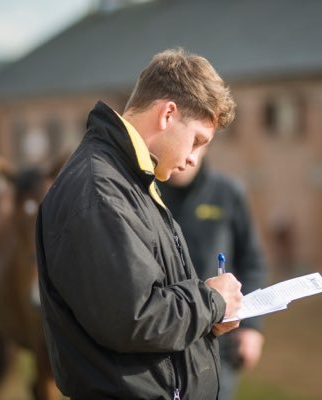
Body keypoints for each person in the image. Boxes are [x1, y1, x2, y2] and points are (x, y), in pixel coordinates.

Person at [36, 48, 243, 400]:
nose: (193, 158)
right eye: (196, 140)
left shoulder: (130, 178)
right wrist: (210, 301)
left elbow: (147, 300)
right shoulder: (100, 190)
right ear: (167, 114)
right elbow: (134, 318)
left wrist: (207, 317)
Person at [159, 147, 266, 400]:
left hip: (218, 341)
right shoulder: (145, 194)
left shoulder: (228, 193)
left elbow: (252, 261)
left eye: (198, 142)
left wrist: (251, 327)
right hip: (164, 337)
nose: (188, 153)